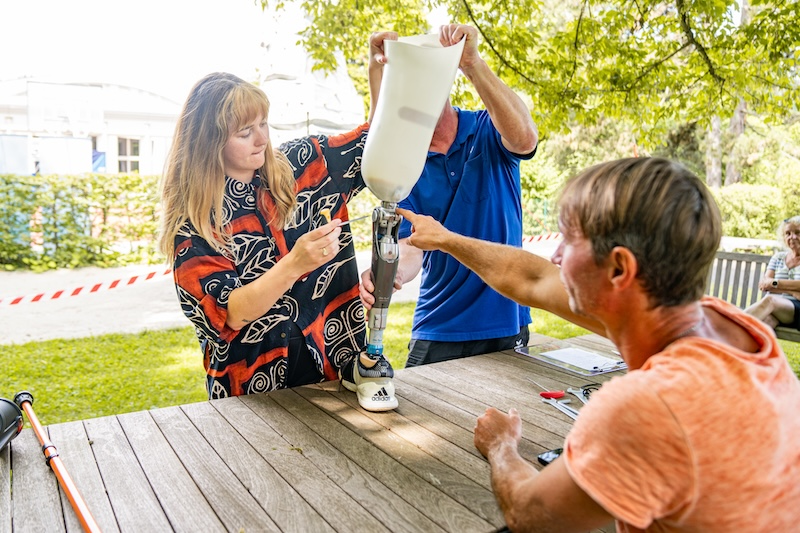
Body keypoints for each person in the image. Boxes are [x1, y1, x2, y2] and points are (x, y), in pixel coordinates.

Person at [398, 157, 800, 531]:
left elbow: (530, 513)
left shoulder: (650, 404)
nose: (555, 255)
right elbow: (532, 279)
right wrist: (446, 239)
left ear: (620, 268)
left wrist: (502, 446)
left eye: (569, 241)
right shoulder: (731, 326)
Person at [157, 46, 400, 412]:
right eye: (245, 132)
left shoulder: (307, 163)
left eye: (263, 124)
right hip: (253, 397)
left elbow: (378, 144)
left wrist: (378, 71)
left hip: (337, 371)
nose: (261, 139)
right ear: (209, 142)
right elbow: (230, 311)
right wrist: (295, 264)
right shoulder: (194, 225)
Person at [360, 24, 539, 367]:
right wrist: (390, 273)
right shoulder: (404, 164)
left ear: (443, 81)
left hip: (504, 321)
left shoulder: (488, 128)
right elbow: (411, 245)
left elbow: (526, 139)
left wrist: (472, 63)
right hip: (437, 327)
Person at [745, 216, 800, 330]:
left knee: (770, 301)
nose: (792, 237)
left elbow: (771, 284)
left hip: (796, 311)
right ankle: (732, 347)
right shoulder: (778, 257)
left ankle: (729, 325)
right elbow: (765, 285)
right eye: (788, 233)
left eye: (798, 232)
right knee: (766, 325)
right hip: (776, 311)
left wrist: (774, 283)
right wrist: (793, 291)